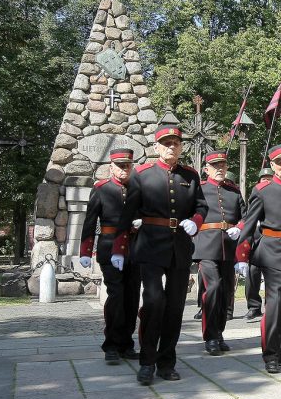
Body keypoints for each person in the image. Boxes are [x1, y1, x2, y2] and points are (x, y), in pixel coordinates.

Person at [121, 125, 207, 385]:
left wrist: (197, 220)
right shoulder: (143, 174)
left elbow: (201, 205)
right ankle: (147, 362)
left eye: (176, 143)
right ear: (157, 147)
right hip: (150, 245)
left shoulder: (190, 176)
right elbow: (129, 208)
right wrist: (133, 225)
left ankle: (166, 362)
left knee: (175, 306)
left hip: (179, 246)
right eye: (166, 143)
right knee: (154, 302)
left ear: (181, 147)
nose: (172, 147)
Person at [236, 145, 281, 373]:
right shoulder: (263, 190)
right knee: (275, 306)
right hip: (271, 252)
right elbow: (249, 224)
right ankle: (271, 355)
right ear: (273, 166)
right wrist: (242, 255)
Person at [79, 148, 140, 363]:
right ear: (111, 167)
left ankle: (127, 342)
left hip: (135, 248)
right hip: (109, 246)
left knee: (132, 297)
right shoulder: (102, 189)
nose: (124, 169)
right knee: (116, 295)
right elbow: (90, 221)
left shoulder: (138, 189)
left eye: (128, 165)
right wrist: (85, 250)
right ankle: (111, 344)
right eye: (120, 165)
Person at [193, 150, 246, 355]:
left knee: (225, 292)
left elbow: (246, 216)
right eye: (215, 166)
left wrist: (239, 228)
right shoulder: (200, 189)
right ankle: (210, 336)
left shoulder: (233, 191)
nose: (220, 169)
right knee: (213, 287)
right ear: (207, 169)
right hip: (206, 245)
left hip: (229, 246)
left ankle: (219, 332)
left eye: (223, 166)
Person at [243, 167, 274, 321]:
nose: (267, 181)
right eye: (264, 179)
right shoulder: (257, 194)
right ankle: (254, 307)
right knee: (252, 276)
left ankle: (271, 307)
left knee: (271, 278)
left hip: (270, 244)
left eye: (270, 178)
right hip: (255, 244)